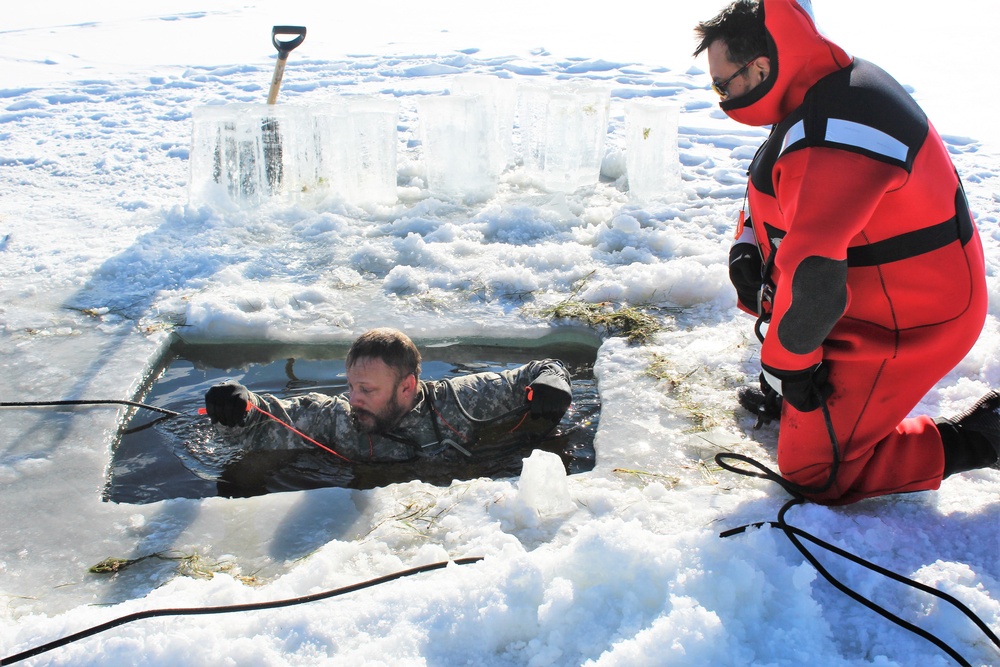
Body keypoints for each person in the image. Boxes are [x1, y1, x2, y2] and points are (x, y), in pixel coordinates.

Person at [694, 0, 998, 504]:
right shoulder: (814, 86)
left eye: (724, 85)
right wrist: (747, 243)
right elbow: (778, 189)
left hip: (909, 319)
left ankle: (981, 439)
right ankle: (802, 387)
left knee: (815, 472)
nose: (722, 97)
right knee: (791, 332)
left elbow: (813, 272)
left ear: (762, 66)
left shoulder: (831, 133)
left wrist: (790, 366)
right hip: (866, 291)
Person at [203, 327, 574, 464]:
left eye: (367, 389)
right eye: (351, 386)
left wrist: (553, 382)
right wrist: (236, 405)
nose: (353, 398)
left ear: (407, 386)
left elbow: (541, 369)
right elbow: (270, 415)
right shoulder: (337, 420)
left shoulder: (462, 400)